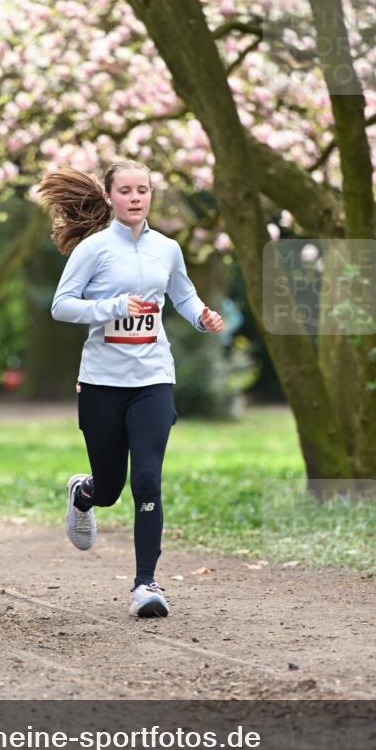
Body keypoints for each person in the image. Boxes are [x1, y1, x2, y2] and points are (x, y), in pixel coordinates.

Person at [42, 159, 222, 618]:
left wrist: (201, 317)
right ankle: (84, 493)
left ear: (151, 195)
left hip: (153, 379)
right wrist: (113, 307)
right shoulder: (94, 249)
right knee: (110, 488)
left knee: (147, 478)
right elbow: (62, 306)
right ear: (109, 197)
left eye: (143, 189)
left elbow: (183, 295)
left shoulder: (168, 248)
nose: (136, 198)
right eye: (125, 190)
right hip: (102, 381)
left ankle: (146, 584)